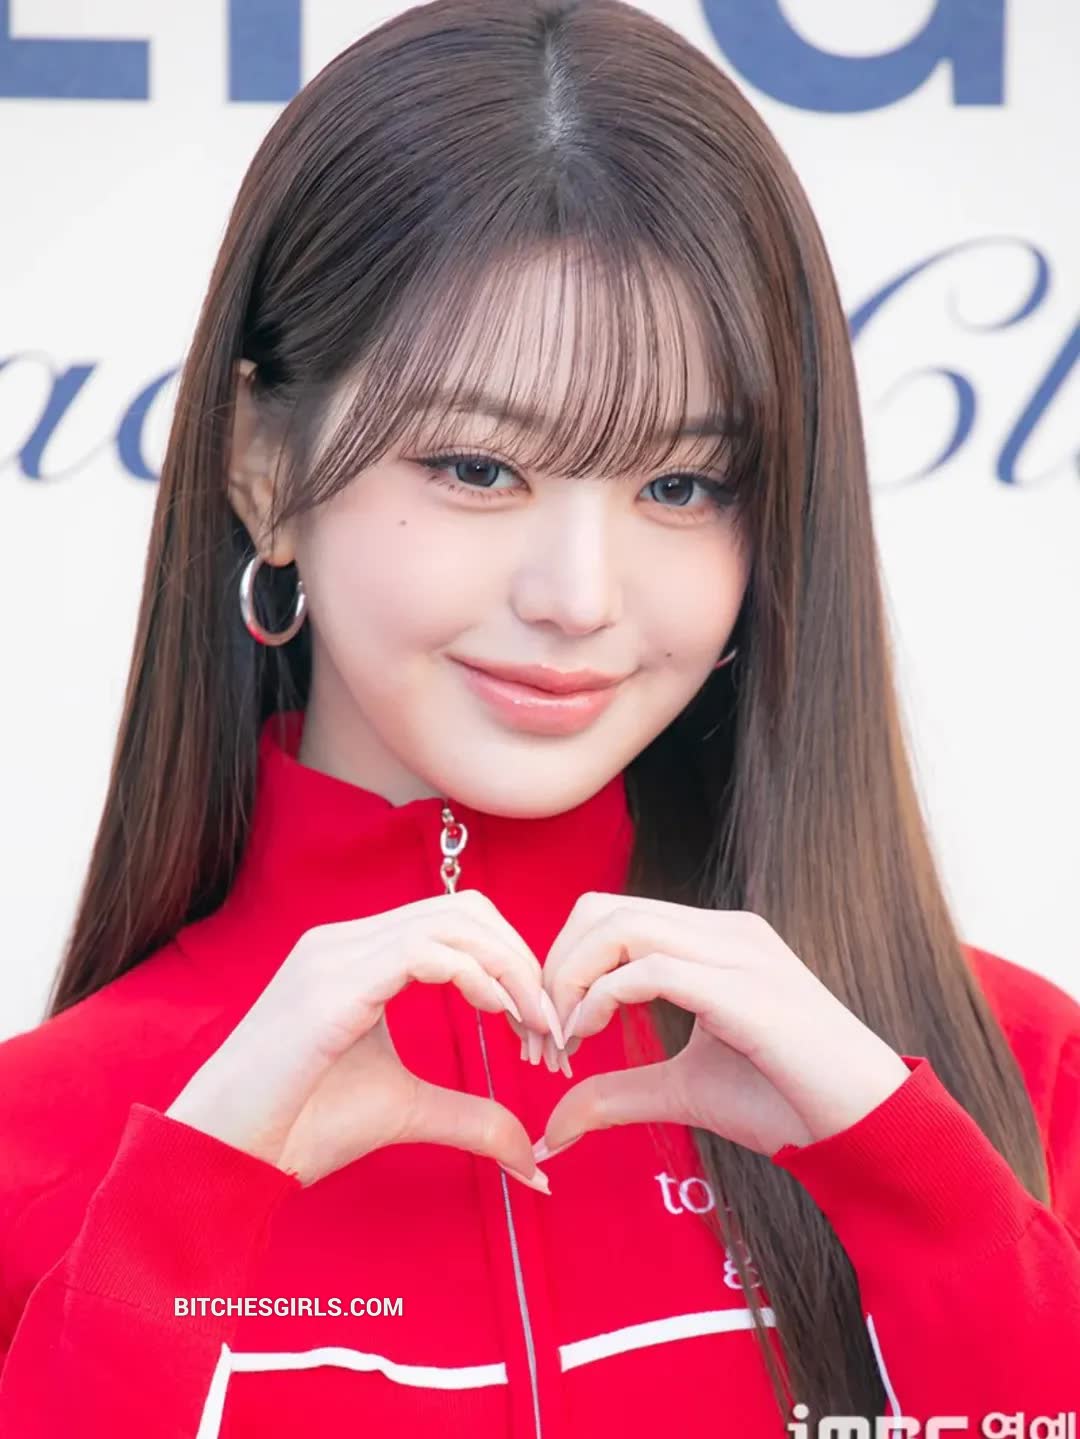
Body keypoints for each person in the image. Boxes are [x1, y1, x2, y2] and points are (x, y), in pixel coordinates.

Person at [1, 1, 1078, 1435]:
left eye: (681, 486)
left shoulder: (1013, 1078)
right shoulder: (39, 1148)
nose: (577, 597)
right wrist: (173, 1235)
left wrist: (924, 1199)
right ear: (263, 466)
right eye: (477, 466)